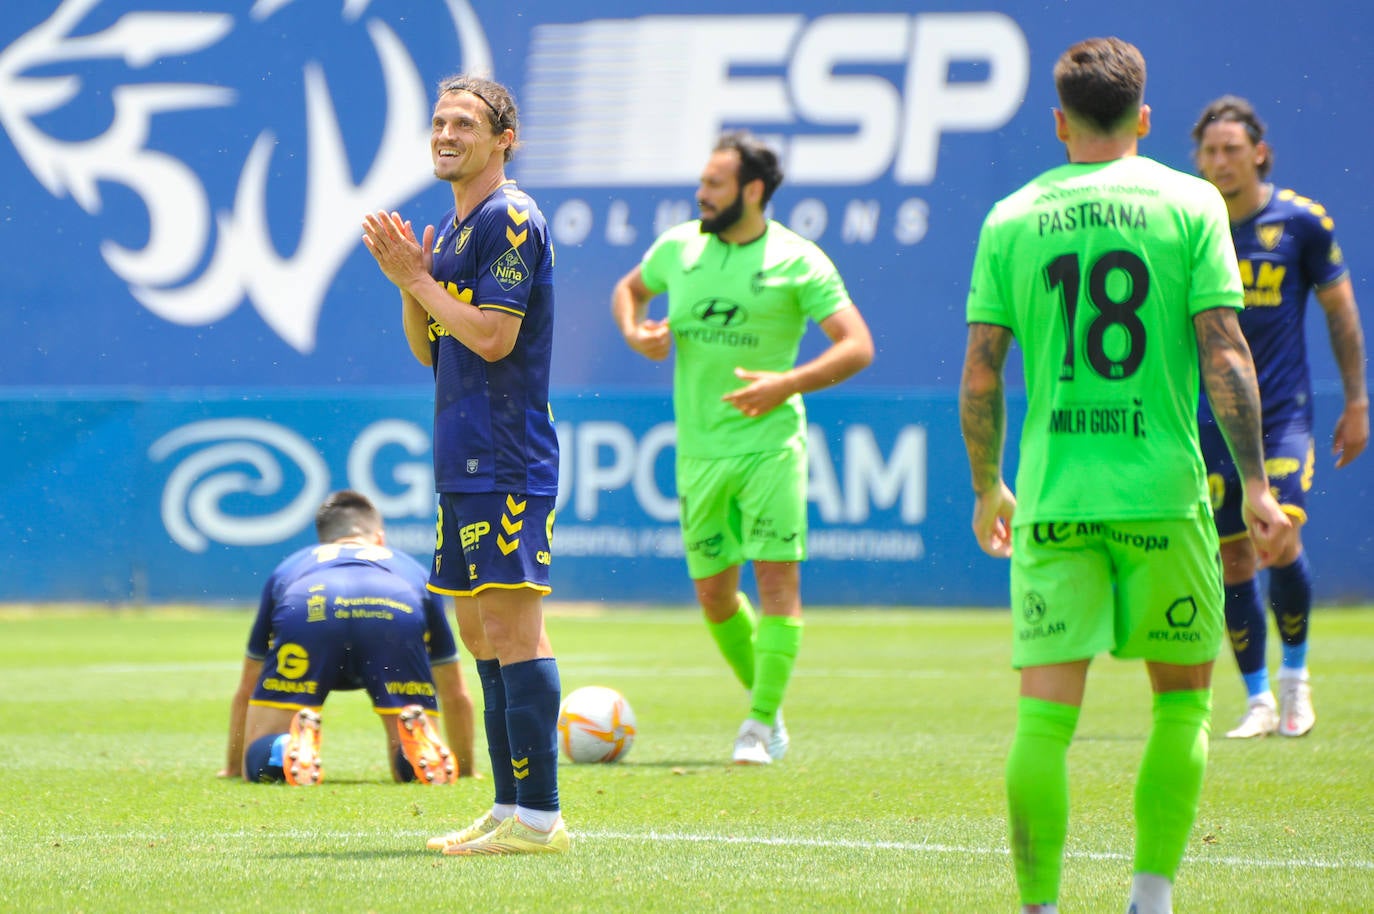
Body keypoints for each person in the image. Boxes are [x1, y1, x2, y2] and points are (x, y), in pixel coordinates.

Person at [958, 38, 1294, 914]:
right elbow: (1227, 349)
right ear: (1143, 119)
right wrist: (1256, 484)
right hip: (1163, 497)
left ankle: (1039, 907)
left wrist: (988, 484)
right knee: (1182, 709)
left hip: (1056, 497)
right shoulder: (1190, 204)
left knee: (1043, 721)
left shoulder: (1012, 215)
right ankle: (1150, 902)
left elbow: (983, 371)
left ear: (1060, 121)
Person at [611, 130, 874, 765]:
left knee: (778, 586)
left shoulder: (798, 260)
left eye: (714, 185)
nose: (700, 194)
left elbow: (856, 345)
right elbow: (629, 290)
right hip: (698, 453)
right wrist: (634, 332)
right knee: (715, 596)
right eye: (702, 183)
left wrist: (788, 383)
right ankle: (771, 704)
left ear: (752, 191)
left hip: (769, 448)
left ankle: (758, 726)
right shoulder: (679, 248)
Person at [362, 73, 566, 855]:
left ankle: (541, 816)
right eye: (439, 121)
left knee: (514, 624)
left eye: (465, 123)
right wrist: (409, 286)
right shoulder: (450, 233)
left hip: (506, 451)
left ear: (502, 139)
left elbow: (492, 337)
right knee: (480, 628)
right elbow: (432, 348)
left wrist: (418, 280)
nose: (446, 133)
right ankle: (510, 808)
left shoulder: (510, 216)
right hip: (463, 453)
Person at [1191, 95, 1369, 740]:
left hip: (1283, 415)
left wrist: (1357, 400)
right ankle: (1258, 699)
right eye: (1209, 151)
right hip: (1210, 419)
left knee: (1278, 538)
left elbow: (1340, 312)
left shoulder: (1301, 223)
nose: (1220, 161)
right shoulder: (1192, 225)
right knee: (1233, 559)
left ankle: (1295, 681)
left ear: (1258, 153)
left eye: (1231, 149)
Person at [219, 489, 475, 785]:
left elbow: (247, 687)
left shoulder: (296, 564)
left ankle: (284, 747)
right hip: (393, 608)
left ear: (324, 539)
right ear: (379, 537)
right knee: (412, 752)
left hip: (311, 607)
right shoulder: (409, 567)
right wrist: (466, 767)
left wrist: (236, 766)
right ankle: (421, 750)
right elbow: (456, 693)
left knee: (263, 755)